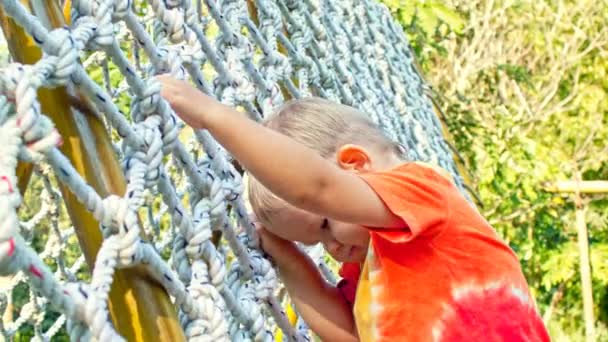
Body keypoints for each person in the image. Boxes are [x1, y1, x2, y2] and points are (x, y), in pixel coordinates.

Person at [157, 75, 550, 341]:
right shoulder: (371, 274)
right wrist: (286, 254)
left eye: (326, 225)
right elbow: (346, 332)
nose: (331, 248)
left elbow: (317, 188)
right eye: (315, 241)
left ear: (356, 164)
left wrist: (213, 116)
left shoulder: (421, 191)